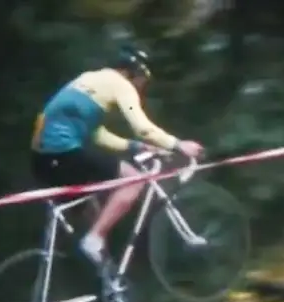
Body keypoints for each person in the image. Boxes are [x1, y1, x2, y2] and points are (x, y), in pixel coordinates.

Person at [30, 44, 204, 268]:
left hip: (45, 160)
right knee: (133, 180)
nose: (142, 87)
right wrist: (179, 145)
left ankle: (105, 277)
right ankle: (93, 243)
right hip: (61, 153)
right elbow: (142, 127)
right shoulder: (121, 85)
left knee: (95, 215)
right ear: (135, 72)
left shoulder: (90, 79)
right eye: (143, 80)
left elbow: (95, 134)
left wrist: (135, 147)